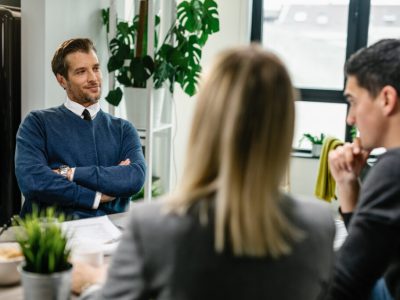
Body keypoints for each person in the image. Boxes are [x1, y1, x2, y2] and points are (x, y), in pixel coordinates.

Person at [71, 45, 335, 299]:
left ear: (204, 122)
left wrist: (92, 283)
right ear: (285, 126)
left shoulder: (153, 228)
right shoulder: (319, 226)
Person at [15, 38, 146, 219]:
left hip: (110, 236)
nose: (93, 78)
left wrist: (69, 173)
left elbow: (134, 178)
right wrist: (95, 197)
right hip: (53, 236)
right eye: (81, 72)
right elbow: (33, 181)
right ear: (62, 80)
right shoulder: (37, 123)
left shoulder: (124, 129)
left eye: (96, 68)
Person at [326, 39, 400, 300]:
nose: (350, 118)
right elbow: (371, 247)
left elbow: (345, 281)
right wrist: (348, 183)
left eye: (353, 101)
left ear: (387, 99)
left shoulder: (393, 169)